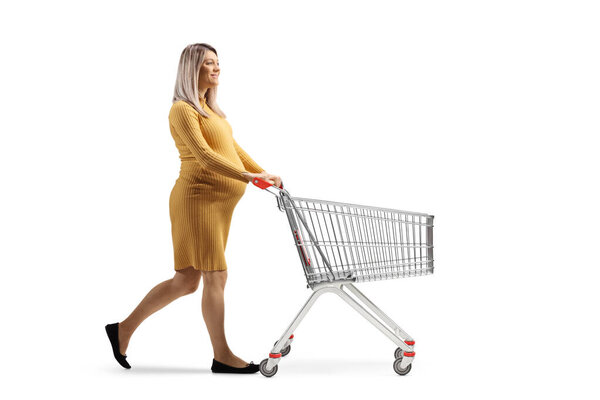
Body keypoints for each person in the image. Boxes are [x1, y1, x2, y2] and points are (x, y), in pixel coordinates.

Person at [105, 43, 282, 374]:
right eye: (208, 64)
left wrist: (263, 173)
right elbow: (203, 156)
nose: (216, 69)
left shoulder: (209, 109)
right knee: (217, 275)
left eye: (218, 63)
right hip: (197, 200)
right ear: (191, 69)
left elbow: (230, 149)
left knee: (186, 281)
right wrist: (248, 176)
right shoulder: (182, 110)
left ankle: (122, 330)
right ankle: (223, 356)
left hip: (216, 204)